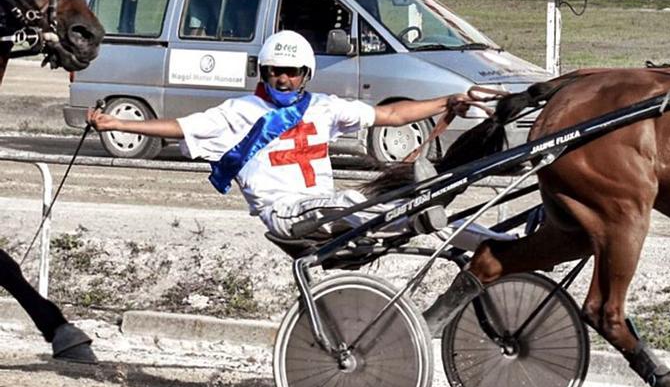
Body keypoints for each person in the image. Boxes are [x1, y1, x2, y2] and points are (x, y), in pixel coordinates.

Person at [86, 31, 473, 240]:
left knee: (364, 201)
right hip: (286, 215)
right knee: (353, 202)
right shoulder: (239, 111)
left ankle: (481, 238)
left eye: (291, 71)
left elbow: (389, 114)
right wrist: (118, 124)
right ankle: (411, 218)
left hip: (328, 207)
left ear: (306, 74)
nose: (283, 79)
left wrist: (447, 100)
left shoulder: (323, 106)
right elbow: (178, 127)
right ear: (263, 72)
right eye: (275, 71)